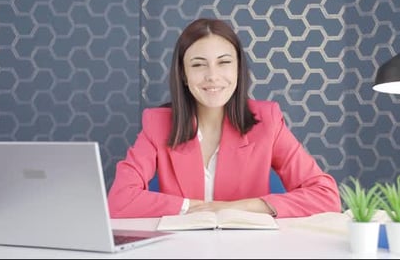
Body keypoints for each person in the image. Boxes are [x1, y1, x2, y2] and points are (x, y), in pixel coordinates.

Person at [107, 18, 341, 218]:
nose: (213, 76)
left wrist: (239, 208)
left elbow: (325, 196)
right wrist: (193, 208)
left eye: (224, 62)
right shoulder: (157, 124)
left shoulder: (267, 121)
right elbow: (119, 200)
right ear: (184, 75)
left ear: (238, 68)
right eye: (198, 65)